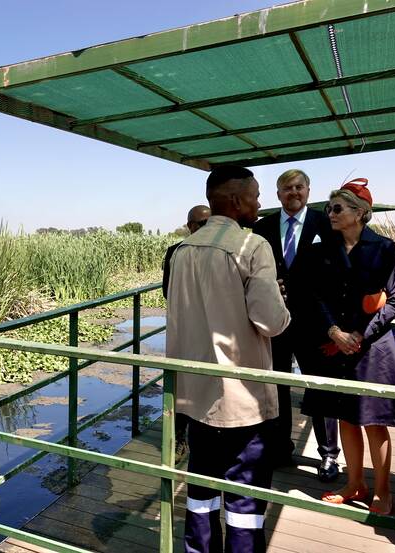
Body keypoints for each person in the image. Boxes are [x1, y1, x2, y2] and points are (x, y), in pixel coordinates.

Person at [167, 165, 290, 553]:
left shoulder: (182, 251)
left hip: (195, 395)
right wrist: (282, 304)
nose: (259, 203)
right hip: (242, 399)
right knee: (244, 496)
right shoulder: (253, 247)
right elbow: (270, 321)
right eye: (255, 195)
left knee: (201, 486)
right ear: (236, 201)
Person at [299, 178, 395, 516]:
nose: (329, 214)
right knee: (346, 419)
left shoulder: (384, 249)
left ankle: (382, 490)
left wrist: (362, 334)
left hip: (372, 348)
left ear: (360, 213)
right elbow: (314, 296)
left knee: (374, 421)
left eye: (336, 208)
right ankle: (354, 484)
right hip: (336, 345)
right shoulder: (322, 251)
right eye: (328, 208)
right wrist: (334, 331)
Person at [252, 169, 340, 481]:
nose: (294, 193)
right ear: (278, 195)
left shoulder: (324, 223)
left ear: (308, 190)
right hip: (276, 322)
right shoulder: (261, 228)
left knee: (319, 387)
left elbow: (337, 270)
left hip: (314, 323)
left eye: (299, 187)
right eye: (287, 188)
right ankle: (280, 448)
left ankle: (329, 455)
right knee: (277, 385)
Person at [163, 204, 211, 464]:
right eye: (201, 224)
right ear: (190, 226)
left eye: (209, 223)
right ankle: (180, 438)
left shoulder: (218, 252)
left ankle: (207, 433)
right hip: (184, 331)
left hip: (212, 333)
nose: (205, 229)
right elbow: (167, 291)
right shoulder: (175, 252)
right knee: (182, 386)